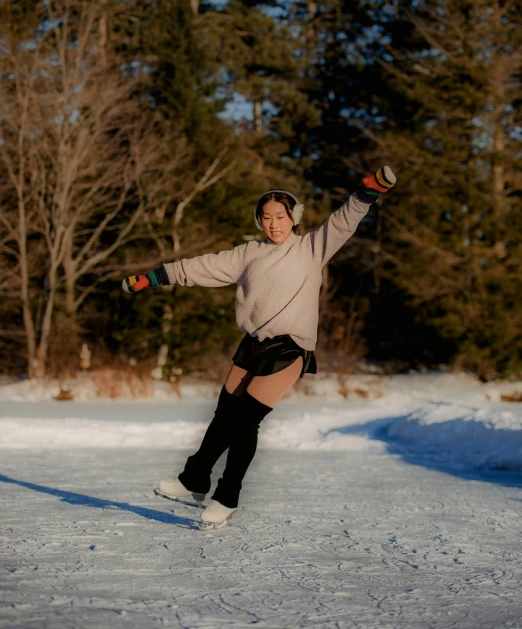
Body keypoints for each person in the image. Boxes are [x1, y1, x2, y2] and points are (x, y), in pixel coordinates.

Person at [122, 166, 396, 528]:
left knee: (245, 420)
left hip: (290, 349)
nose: (273, 224)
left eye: (280, 217)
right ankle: (195, 479)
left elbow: (343, 221)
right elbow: (200, 267)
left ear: (293, 217)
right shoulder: (248, 254)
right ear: (259, 221)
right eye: (266, 218)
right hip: (253, 344)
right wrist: (153, 278)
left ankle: (226, 496)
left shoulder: (311, 248)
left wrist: (367, 192)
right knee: (224, 414)